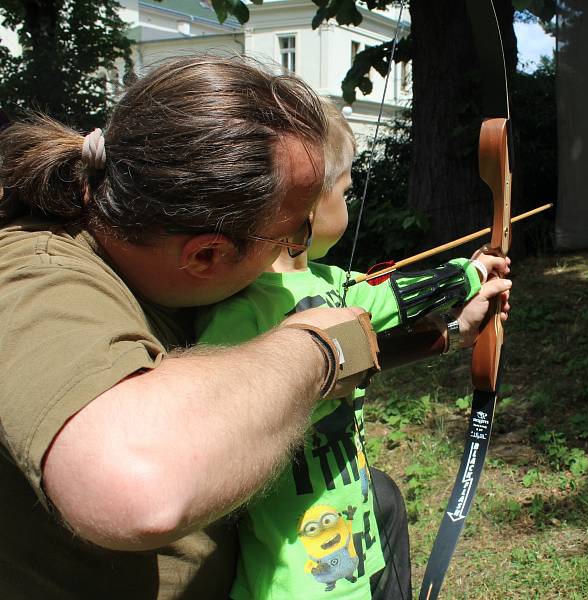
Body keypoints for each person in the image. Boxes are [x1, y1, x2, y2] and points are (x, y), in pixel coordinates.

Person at [0, 56, 384, 599]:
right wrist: (323, 350)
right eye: (293, 235)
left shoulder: (163, 266)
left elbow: (234, 368)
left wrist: (441, 330)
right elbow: (135, 487)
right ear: (206, 255)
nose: (300, 248)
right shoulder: (33, 278)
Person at [195, 101, 512, 600]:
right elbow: (387, 301)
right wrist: (469, 275)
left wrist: (458, 326)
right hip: (294, 569)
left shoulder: (330, 280)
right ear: (308, 202)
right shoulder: (242, 309)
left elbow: (376, 327)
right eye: (345, 190)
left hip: (348, 522)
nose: (350, 198)